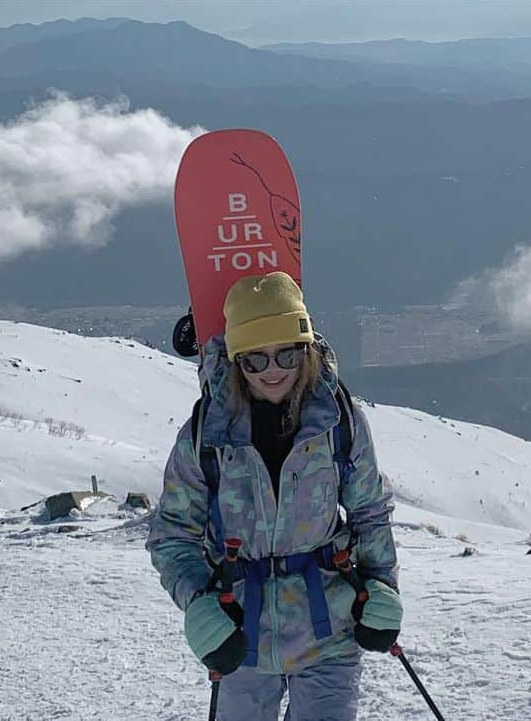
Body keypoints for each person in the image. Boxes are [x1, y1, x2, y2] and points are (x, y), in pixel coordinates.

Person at [147, 271, 400, 721]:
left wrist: (381, 587)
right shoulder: (207, 433)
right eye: (255, 359)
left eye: (286, 352)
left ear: (307, 349)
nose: (274, 369)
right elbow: (173, 533)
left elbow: (369, 512)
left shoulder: (339, 420)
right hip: (241, 633)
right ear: (237, 360)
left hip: (330, 631)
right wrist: (198, 599)